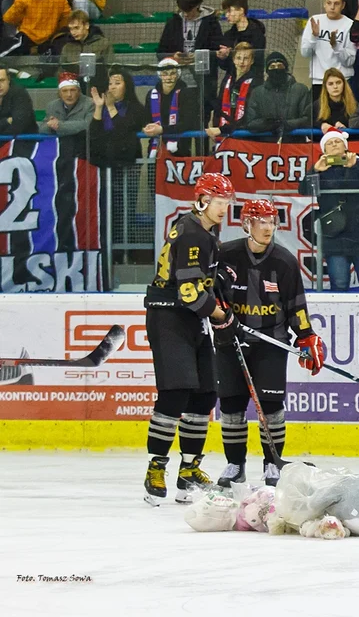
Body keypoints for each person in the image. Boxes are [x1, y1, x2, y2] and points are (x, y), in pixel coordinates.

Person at [215, 199, 325, 488]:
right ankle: (234, 464)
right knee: (231, 405)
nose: (268, 227)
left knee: (271, 405)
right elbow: (209, 291)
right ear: (247, 224)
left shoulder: (284, 261)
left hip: (271, 342)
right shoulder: (226, 255)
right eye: (261, 221)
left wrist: (306, 336)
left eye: (272, 222)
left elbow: (295, 305)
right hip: (231, 342)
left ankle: (272, 465)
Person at [142, 173, 234, 506]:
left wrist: (218, 281)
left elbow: (200, 281)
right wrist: (222, 316)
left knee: (205, 393)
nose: (224, 208)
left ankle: (189, 469)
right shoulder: (194, 233)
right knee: (176, 392)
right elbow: (187, 290)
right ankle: (157, 466)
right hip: (169, 315)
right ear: (202, 201)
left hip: (190, 316)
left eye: (227, 202)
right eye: (219, 202)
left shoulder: (204, 229)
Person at [300, 131, 359, 291]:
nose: (333, 144)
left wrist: (356, 166)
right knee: (338, 285)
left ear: (345, 146)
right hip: (335, 235)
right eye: (329, 143)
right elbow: (305, 190)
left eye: (337, 141)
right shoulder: (320, 168)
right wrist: (315, 171)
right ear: (324, 150)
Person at [157, 0, 224, 111]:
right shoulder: (173, 23)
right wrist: (173, 57)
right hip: (178, 77)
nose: (187, 14)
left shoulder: (211, 23)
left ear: (198, 6)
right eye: (184, 11)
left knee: (203, 111)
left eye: (190, 11)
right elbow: (161, 51)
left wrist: (200, 56)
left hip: (205, 78)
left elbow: (218, 51)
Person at [300, 0, 356, 115]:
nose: (332, 7)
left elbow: (350, 61)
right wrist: (314, 37)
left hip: (342, 81)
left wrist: (336, 47)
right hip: (319, 80)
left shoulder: (349, 25)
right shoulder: (314, 21)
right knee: (319, 120)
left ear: (343, 5)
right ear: (324, 3)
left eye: (336, 4)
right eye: (329, 3)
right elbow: (305, 53)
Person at [245, 52, 313, 143]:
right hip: (264, 147)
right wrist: (269, 124)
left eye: (280, 66)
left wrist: (286, 124)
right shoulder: (257, 92)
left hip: (295, 146)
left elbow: (307, 119)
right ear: (267, 70)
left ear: (286, 68)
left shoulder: (300, 90)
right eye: (272, 67)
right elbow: (251, 122)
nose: (276, 69)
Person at [143, 57, 202, 157]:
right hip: (156, 149)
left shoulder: (187, 94)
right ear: (160, 75)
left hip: (180, 149)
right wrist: (146, 127)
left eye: (172, 73)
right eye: (165, 73)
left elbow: (187, 123)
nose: (169, 77)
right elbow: (146, 119)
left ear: (178, 75)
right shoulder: (151, 95)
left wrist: (162, 129)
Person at [87, 66, 144, 166]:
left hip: (126, 161)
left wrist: (110, 106)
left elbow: (123, 129)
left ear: (127, 86)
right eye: (110, 84)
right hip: (104, 160)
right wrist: (99, 107)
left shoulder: (136, 108)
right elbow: (94, 133)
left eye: (117, 83)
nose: (112, 87)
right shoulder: (103, 107)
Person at [207, 42, 259, 144]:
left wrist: (223, 129)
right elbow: (219, 107)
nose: (242, 62)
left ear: (252, 61)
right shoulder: (227, 79)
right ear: (234, 59)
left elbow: (250, 115)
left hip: (245, 136)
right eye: (239, 58)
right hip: (223, 135)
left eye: (246, 58)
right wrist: (216, 127)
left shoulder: (257, 83)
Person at [218, 0, 266, 78]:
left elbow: (258, 62)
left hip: (252, 80)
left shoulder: (257, 34)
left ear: (241, 10)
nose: (226, 15)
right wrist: (223, 57)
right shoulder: (228, 35)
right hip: (231, 78)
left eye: (229, 11)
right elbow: (224, 66)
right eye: (225, 12)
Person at [59, 10, 113, 76]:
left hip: (98, 83)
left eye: (76, 28)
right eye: (71, 29)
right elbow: (61, 71)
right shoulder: (67, 47)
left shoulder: (103, 43)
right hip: (74, 84)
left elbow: (111, 68)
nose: (73, 32)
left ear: (87, 25)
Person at [40, 73, 88, 142]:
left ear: (79, 92)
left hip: (82, 145)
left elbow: (87, 125)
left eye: (73, 90)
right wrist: (50, 125)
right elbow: (42, 128)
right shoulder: (52, 105)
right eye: (65, 91)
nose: (69, 95)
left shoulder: (89, 104)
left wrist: (59, 125)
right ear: (59, 93)